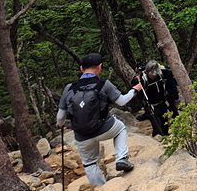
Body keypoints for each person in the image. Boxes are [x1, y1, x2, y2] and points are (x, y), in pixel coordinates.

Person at [56, 52, 142, 187]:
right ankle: (121, 158)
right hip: (104, 128)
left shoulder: (69, 88)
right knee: (121, 129)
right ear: (99, 67)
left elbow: (60, 117)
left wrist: (59, 124)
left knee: (90, 163)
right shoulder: (104, 84)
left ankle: (102, 188)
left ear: (81, 68)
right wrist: (135, 89)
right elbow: (122, 101)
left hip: (81, 135)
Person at [134, 60, 179, 137]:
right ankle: (157, 138)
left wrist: (174, 96)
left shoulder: (162, 74)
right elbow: (136, 89)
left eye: (156, 74)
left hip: (162, 101)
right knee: (157, 125)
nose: (154, 76)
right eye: (152, 74)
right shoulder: (142, 79)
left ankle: (165, 136)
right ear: (147, 72)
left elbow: (171, 76)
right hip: (151, 105)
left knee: (165, 122)